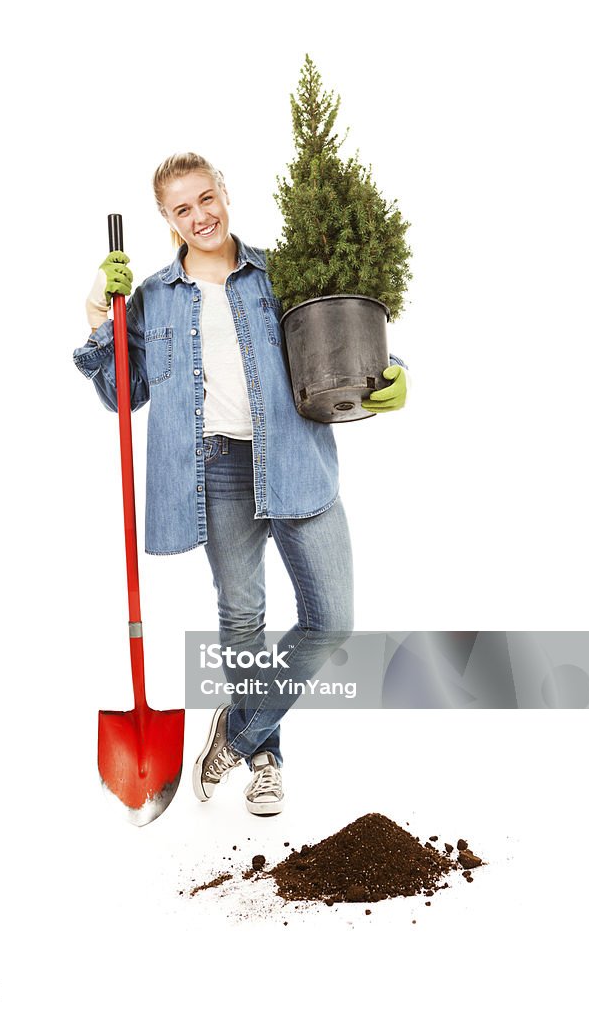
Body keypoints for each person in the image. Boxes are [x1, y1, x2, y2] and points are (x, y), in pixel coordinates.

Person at [73, 152, 408, 817]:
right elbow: (122, 395)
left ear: (224, 192)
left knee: (331, 622)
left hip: (295, 456)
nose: (200, 216)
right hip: (215, 469)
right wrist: (95, 318)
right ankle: (265, 760)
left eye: (206, 197)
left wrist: (386, 371)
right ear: (166, 220)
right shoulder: (150, 299)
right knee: (243, 619)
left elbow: (338, 332)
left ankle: (237, 729)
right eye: (182, 209)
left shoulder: (278, 273)